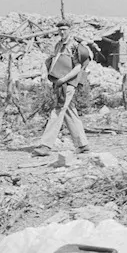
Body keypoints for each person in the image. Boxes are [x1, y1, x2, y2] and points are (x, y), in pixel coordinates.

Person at [33, 20, 92, 156]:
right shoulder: (58, 45)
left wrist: (64, 80)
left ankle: (46, 146)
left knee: (58, 110)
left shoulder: (75, 46)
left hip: (68, 82)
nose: (62, 32)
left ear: (70, 29)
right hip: (59, 82)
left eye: (64, 29)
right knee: (69, 111)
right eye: (60, 30)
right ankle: (82, 144)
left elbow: (78, 67)